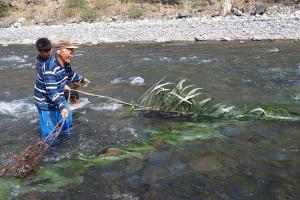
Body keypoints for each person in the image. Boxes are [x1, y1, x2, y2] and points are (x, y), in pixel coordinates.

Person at [34, 39, 89, 144]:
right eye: (70, 52)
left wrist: (82, 79)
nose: (72, 55)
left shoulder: (65, 63)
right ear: (60, 51)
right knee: (50, 135)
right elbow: (52, 92)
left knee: (68, 125)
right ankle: (52, 153)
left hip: (58, 96)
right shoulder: (50, 67)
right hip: (45, 102)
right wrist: (62, 106)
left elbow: (71, 74)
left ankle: (68, 143)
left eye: (73, 52)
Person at [35, 38, 82, 105]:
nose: (49, 53)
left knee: (75, 98)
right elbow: (48, 80)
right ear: (39, 51)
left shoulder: (57, 53)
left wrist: (74, 80)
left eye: (50, 50)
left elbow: (66, 67)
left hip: (64, 79)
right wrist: (63, 86)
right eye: (46, 51)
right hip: (53, 86)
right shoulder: (40, 64)